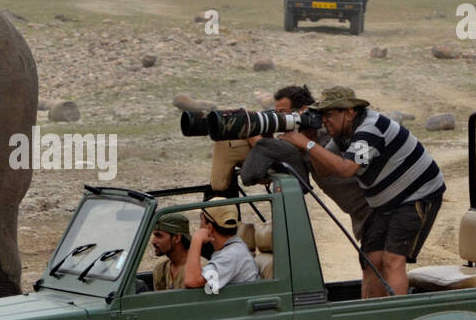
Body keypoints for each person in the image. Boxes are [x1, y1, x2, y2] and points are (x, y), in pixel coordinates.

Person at [279, 87, 444, 298]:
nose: (324, 121)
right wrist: (308, 139)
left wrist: (307, 143)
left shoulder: (370, 130)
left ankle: (397, 318)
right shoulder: (343, 133)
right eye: (321, 115)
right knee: (370, 261)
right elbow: (324, 170)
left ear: (350, 112)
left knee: (392, 260)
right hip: (385, 203)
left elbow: (346, 169)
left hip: (418, 195)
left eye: (329, 114)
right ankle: (371, 316)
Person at [239, 85, 371, 240]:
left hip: (374, 208)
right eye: (276, 114)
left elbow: (281, 154)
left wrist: (253, 134)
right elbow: (285, 162)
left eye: (283, 113)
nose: (280, 119)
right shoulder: (305, 136)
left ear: (302, 111)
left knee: (386, 262)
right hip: (361, 213)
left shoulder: (326, 132)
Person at [184, 205, 259, 293]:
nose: (200, 225)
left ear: (209, 228)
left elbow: (191, 281)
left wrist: (196, 239)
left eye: (202, 220)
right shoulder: (232, 250)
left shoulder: (232, 254)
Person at [149, 212, 202, 290]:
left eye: (159, 235)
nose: (153, 241)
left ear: (177, 238)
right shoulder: (161, 268)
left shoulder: (199, 269)